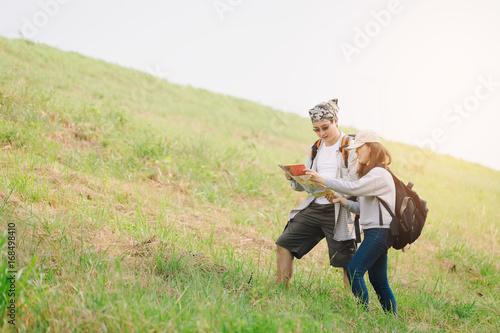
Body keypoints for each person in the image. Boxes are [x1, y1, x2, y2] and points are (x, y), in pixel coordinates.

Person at [304, 129, 398, 315]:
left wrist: (322, 179)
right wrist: (342, 201)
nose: (356, 152)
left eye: (359, 148)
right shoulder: (372, 175)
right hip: (376, 231)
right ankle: (392, 319)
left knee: (355, 270)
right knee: (378, 280)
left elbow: (353, 186)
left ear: (371, 148)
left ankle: (362, 315)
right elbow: (362, 209)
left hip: (380, 231)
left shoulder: (379, 174)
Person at [275, 98, 358, 289]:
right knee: (283, 244)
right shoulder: (316, 148)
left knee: (347, 263)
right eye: (317, 129)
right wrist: (295, 179)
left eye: (325, 127)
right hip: (315, 207)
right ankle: (280, 291)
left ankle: (353, 304)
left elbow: (356, 184)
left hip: (340, 211)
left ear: (336, 121)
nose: (321, 133)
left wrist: (323, 180)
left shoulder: (351, 147)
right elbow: (306, 184)